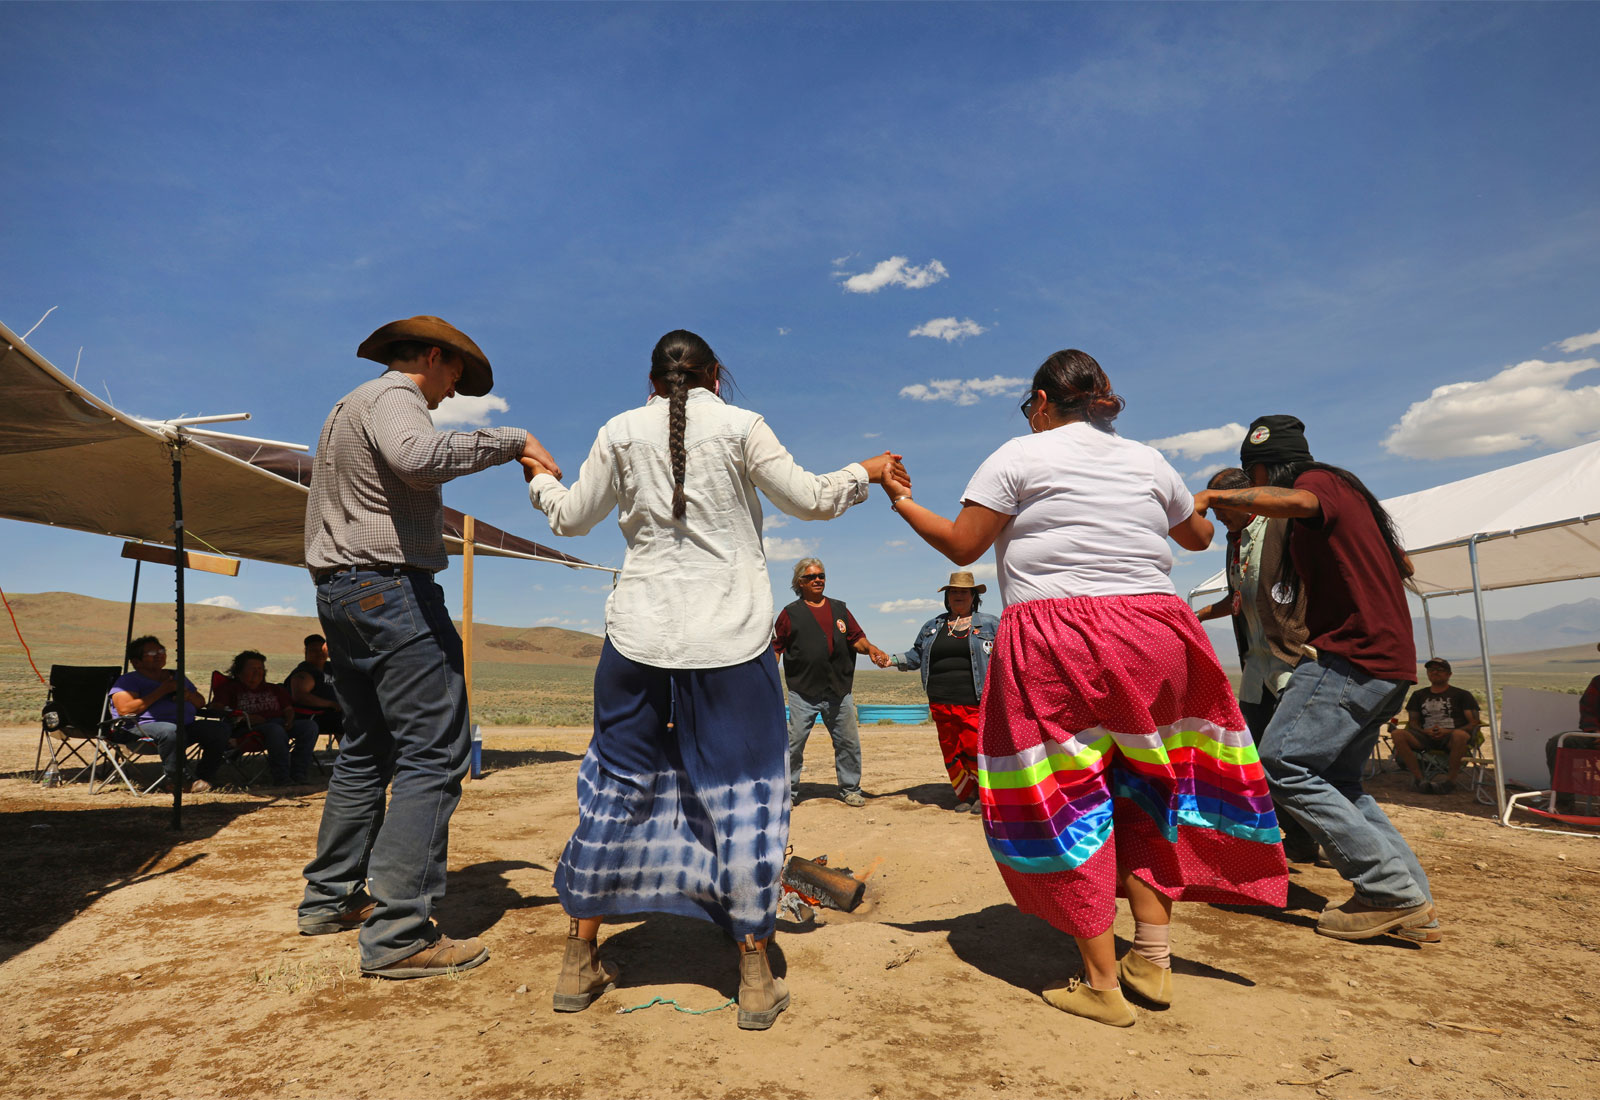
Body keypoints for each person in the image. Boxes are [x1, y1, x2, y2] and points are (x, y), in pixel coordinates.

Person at [881, 349, 1287, 1028]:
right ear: (1101, 400)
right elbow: (1192, 537)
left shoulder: (1018, 455)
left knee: (1060, 798)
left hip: (1059, 636)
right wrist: (1200, 501)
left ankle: (1102, 984)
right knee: (1150, 783)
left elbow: (962, 546)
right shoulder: (1148, 460)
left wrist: (899, 499)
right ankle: (1150, 960)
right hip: (1159, 631)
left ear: (1043, 401)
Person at [524, 329, 902, 1029]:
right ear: (715, 377)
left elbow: (572, 519)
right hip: (729, 647)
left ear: (651, 380)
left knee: (615, 790)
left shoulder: (618, 431)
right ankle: (754, 974)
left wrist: (538, 478)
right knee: (745, 803)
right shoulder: (740, 426)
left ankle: (578, 961)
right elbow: (814, 500)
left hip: (636, 643)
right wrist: (868, 470)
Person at [297, 315, 562, 981]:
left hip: (343, 593)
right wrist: (513, 441)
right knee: (435, 752)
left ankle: (331, 898)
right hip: (391, 592)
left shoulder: (348, 406)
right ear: (434, 358)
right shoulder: (394, 398)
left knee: (368, 748)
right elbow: (417, 459)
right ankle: (399, 936)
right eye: (454, 380)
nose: (451, 395)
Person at [1195, 413, 1437, 945]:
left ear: (1262, 472)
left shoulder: (1318, 485)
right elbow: (1404, 565)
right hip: (1386, 658)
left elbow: (1303, 503)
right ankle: (1409, 897)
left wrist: (1212, 500)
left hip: (1351, 655)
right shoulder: (1349, 499)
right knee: (1342, 782)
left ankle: (1388, 889)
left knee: (1282, 762)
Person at [1193, 467, 1319, 862]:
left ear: (1243, 498)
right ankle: (1296, 838)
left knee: (1289, 761)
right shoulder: (1237, 542)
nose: (1217, 516)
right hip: (1256, 670)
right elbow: (1239, 597)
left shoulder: (1282, 526)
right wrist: (1192, 615)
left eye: (1221, 506)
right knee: (1253, 760)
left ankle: (1324, 838)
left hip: (1291, 663)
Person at [773, 558, 892, 807]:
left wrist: (870, 648)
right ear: (799, 583)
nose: (818, 580)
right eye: (811, 577)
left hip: (839, 689)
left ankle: (850, 789)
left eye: (821, 576)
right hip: (803, 692)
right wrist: (768, 681)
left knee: (848, 743)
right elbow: (777, 649)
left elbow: (856, 639)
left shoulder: (840, 609)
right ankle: (788, 793)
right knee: (793, 745)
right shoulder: (789, 613)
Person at [888, 571, 1000, 813]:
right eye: (953, 592)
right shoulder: (933, 626)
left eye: (963, 591)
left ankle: (984, 794)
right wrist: (890, 660)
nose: (958, 596)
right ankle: (965, 794)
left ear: (973, 596)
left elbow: (1006, 657)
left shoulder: (990, 624)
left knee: (973, 746)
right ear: (947, 597)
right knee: (951, 748)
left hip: (974, 700)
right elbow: (916, 655)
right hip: (940, 699)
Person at [109, 635, 232, 793]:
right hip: (139, 732)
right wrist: (162, 690)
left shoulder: (176, 676)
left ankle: (203, 777)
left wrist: (187, 695)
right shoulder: (128, 680)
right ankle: (177, 781)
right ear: (136, 662)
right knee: (171, 730)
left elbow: (200, 702)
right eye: (152, 653)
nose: (159, 655)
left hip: (183, 728)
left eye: (161, 650)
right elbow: (125, 709)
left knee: (219, 729)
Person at [212, 650, 319, 787]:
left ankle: (299, 773)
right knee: (275, 730)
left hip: (279, 723)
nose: (258, 672)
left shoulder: (274, 689)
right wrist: (245, 717)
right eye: (252, 669)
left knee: (309, 727)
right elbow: (216, 708)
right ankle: (282, 777)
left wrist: (290, 720)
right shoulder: (229, 689)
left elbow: (288, 709)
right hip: (246, 729)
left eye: (260, 668)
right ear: (239, 672)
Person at [1395, 658, 1480, 795]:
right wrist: (1424, 731)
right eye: (1431, 670)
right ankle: (1419, 779)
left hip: (1452, 738)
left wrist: (1449, 731)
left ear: (1449, 674)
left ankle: (1450, 782)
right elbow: (1413, 722)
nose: (1435, 672)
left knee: (1460, 735)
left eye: (1440, 670)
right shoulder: (1418, 695)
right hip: (1425, 736)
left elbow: (1474, 722)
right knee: (1397, 734)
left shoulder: (1462, 695)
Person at [1546, 644, 1600, 792]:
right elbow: (1588, 711)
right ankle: (1562, 803)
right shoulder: (1598, 682)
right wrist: (1594, 732)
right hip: (1597, 737)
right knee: (1559, 742)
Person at [288, 633, 343, 741]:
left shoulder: (331, 667)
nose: (319, 654)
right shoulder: (304, 673)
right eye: (314, 650)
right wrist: (331, 704)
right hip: (312, 717)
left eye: (322, 650)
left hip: (333, 713)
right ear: (306, 652)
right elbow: (300, 696)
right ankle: (352, 755)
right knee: (345, 720)